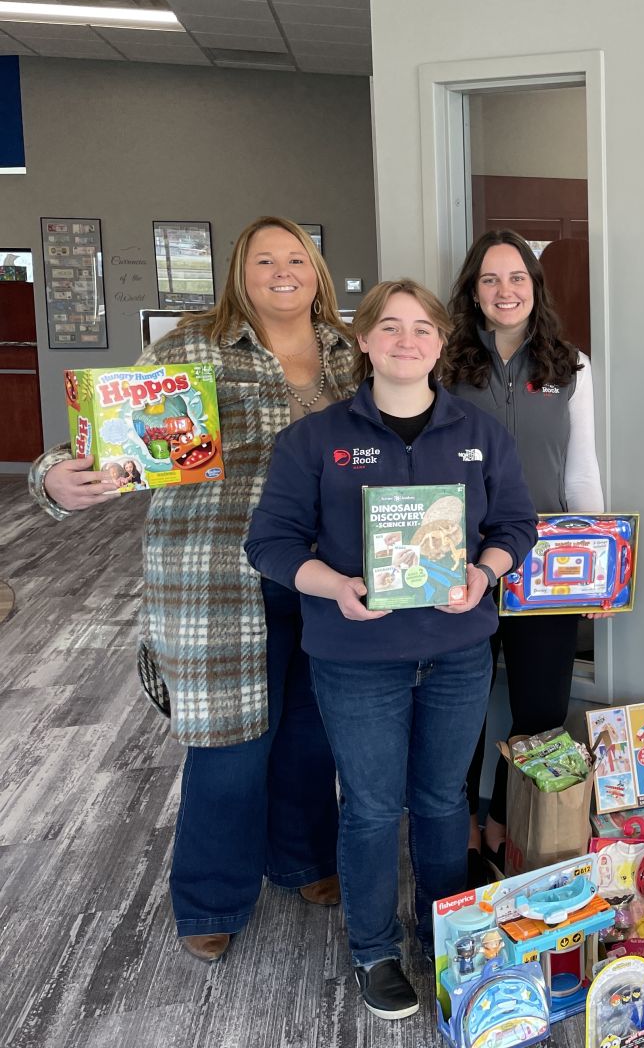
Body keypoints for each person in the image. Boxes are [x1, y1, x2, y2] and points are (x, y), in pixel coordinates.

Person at [28, 216, 352, 962]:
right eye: (263, 259)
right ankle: (211, 897)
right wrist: (54, 476)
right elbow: (105, 434)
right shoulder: (191, 348)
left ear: (317, 272)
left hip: (326, 578)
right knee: (229, 745)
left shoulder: (348, 352)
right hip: (218, 578)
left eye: (295, 258)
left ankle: (303, 861)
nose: (281, 271)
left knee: (311, 731)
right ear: (240, 272)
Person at [246, 279, 537, 1019]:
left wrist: (483, 572)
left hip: (458, 651)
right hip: (355, 657)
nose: (407, 341)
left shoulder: (479, 433)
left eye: (422, 329)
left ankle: (443, 934)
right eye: (391, 328)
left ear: (440, 345)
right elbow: (270, 545)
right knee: (373, 807)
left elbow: (516, 527)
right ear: (366, 340)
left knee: (442, 801)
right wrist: (336, 585)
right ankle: (374, 949)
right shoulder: (314, 440)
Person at [440, 230, 604, 882]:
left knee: (539, 711)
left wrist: (600, 571)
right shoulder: (444, 363)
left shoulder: (571, 366)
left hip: (545, 566)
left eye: (517, 278)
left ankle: (512, 831)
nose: (505, 291)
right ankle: (463, 834)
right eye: (490, 279)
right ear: (472, 291)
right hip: (457, 562)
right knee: (460, 707)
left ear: (535, 288)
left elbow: (582, 473)